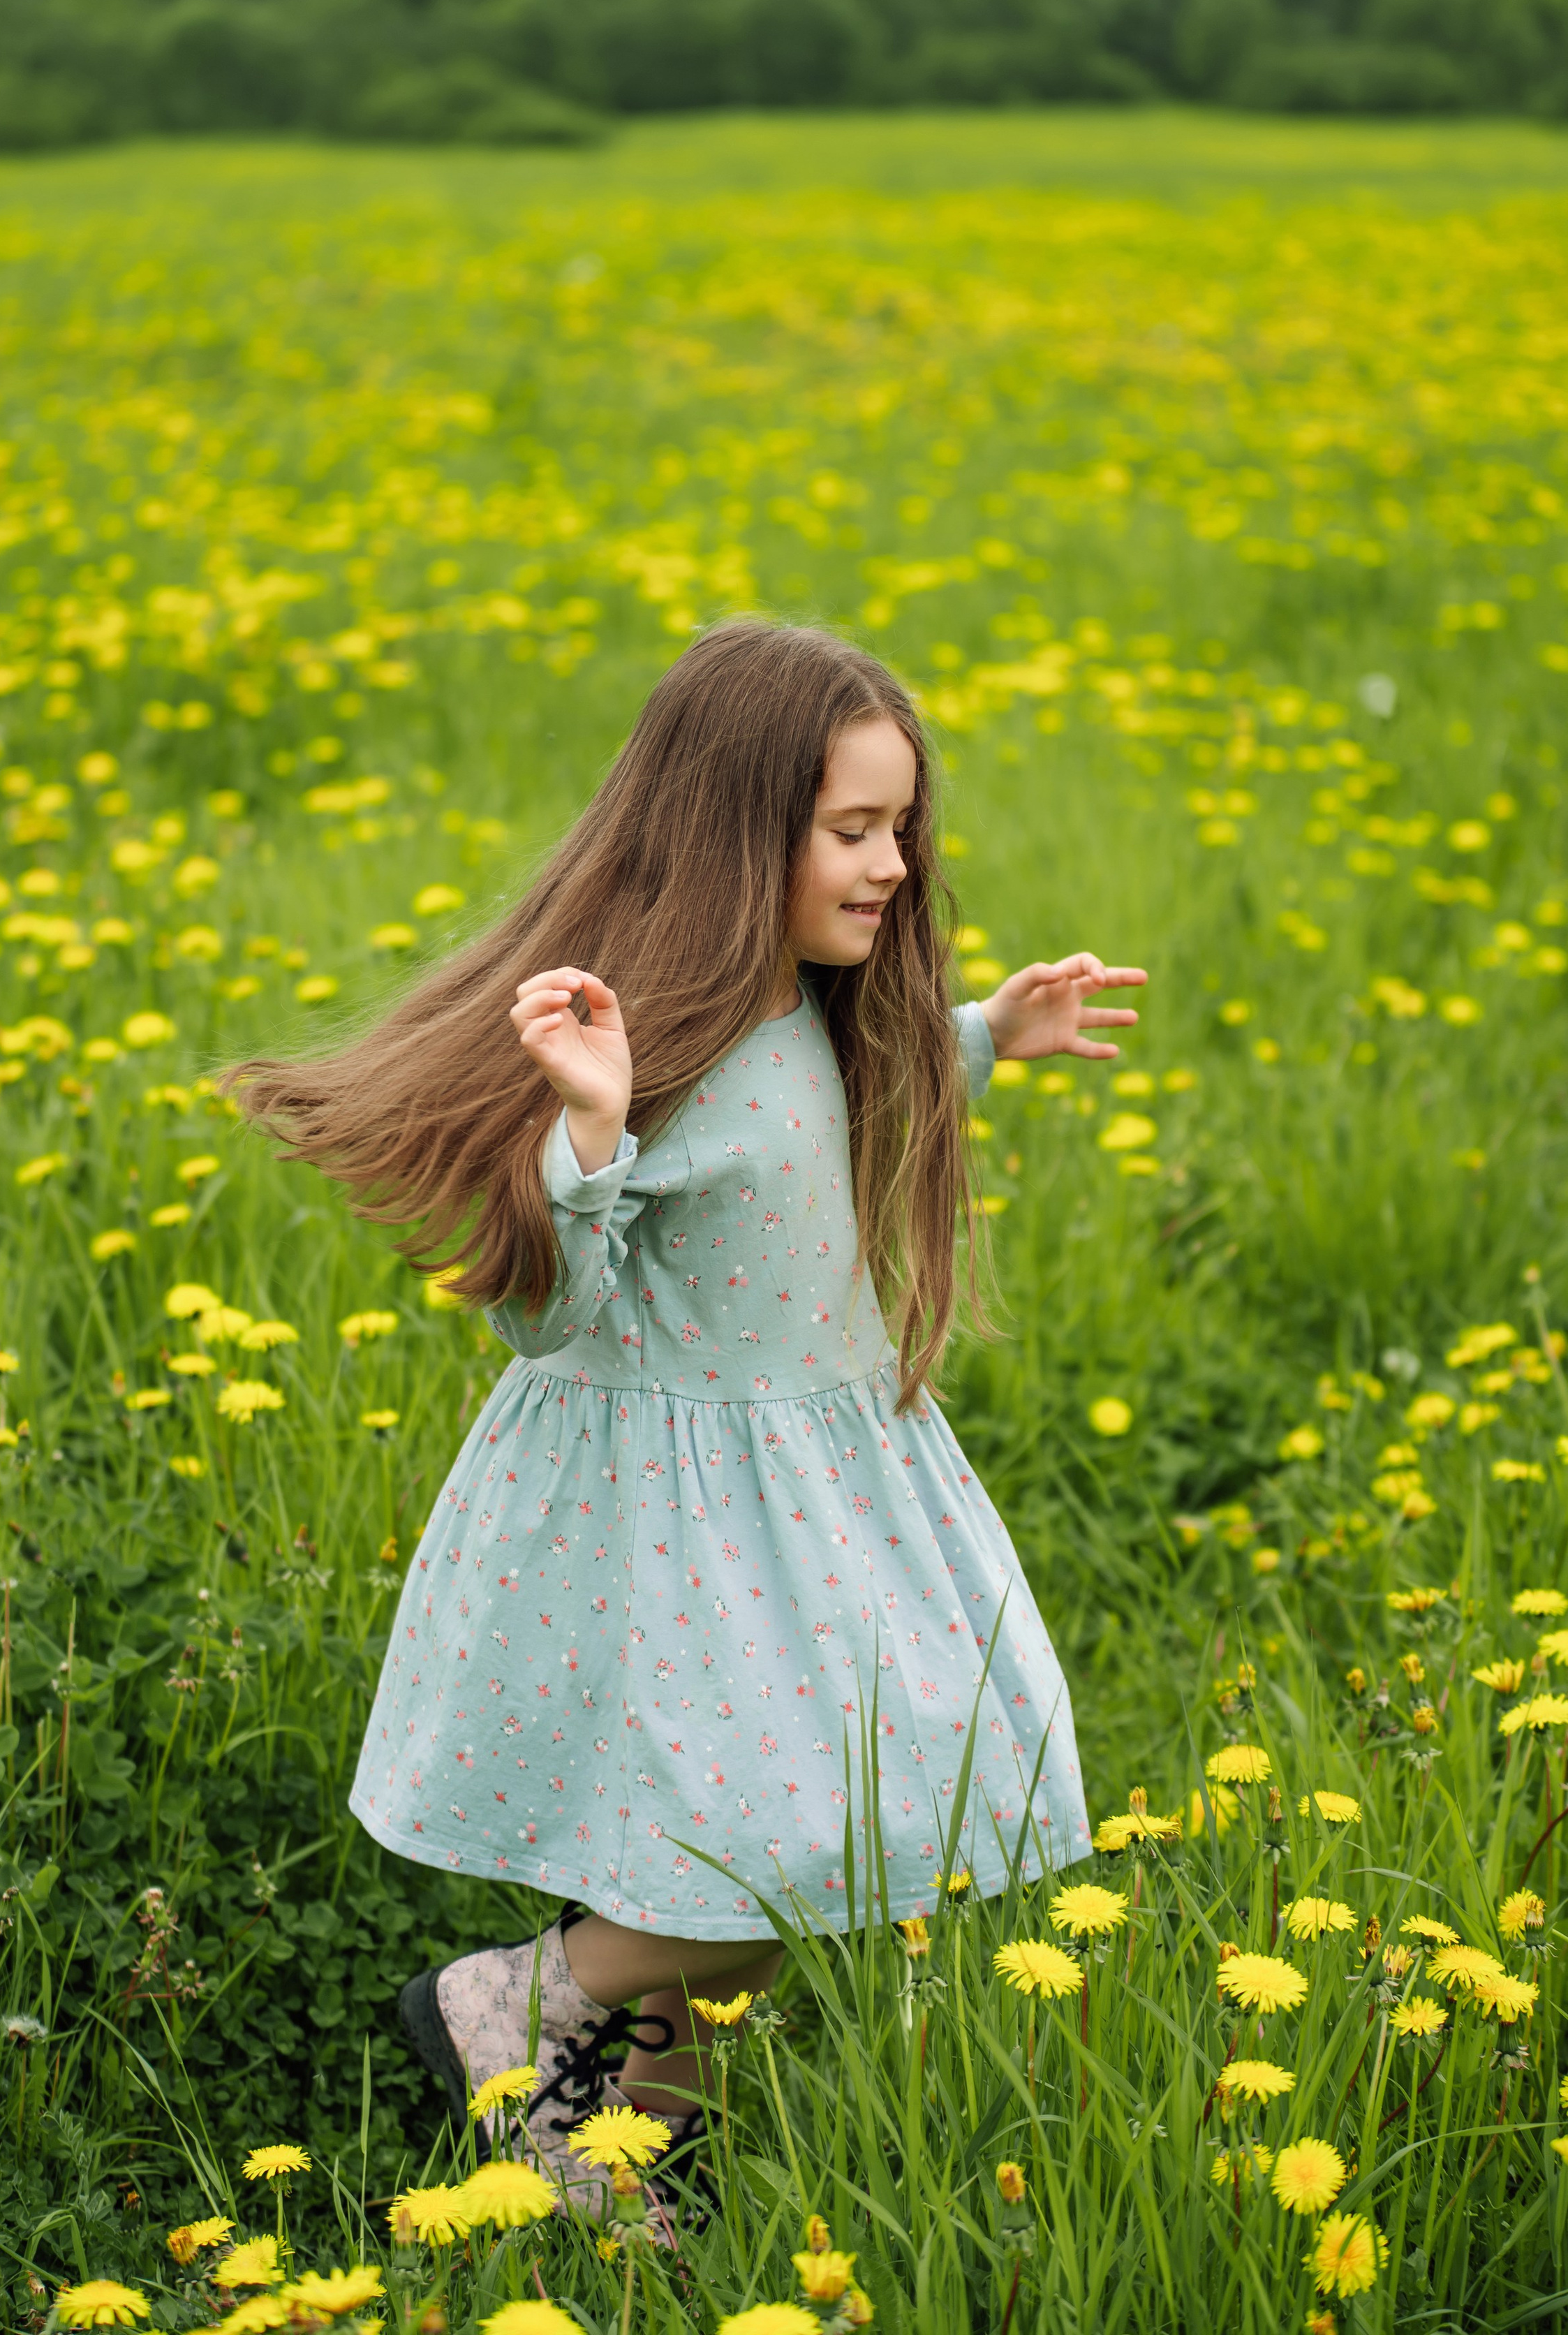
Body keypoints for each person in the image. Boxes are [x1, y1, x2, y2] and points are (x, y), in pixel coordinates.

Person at [230, 617, 1144, 2203]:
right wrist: (583, 1134)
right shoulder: (656, 1056)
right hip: (680, 1521)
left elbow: (843, 1099)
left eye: (900, 830)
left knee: (819, 1823)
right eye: (851, 831)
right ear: (739, 827)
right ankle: (517, 2000)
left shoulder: (812, 1014)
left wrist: (990, 1033)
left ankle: (624, 2136)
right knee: (774, 1847)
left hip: (822, 1485)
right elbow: (546, 1316)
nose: (892, 867)